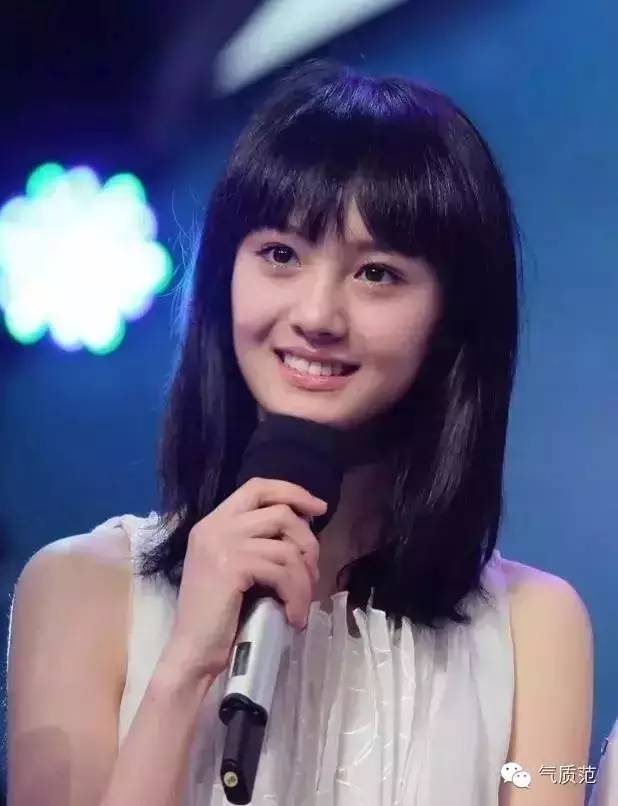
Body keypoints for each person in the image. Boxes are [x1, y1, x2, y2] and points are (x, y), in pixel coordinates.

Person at [6, 59, 593, 806]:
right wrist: (184, 669)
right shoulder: (80, 589)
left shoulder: (533, 627)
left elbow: (546, 785)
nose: (317, 316)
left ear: (451, 319)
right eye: (280, 254)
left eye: (376, 273)